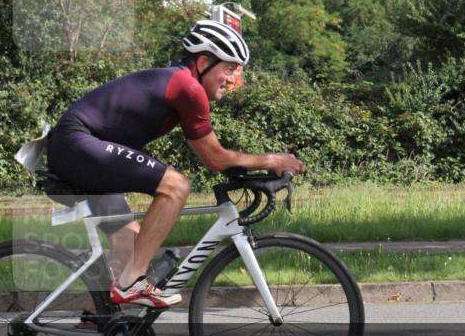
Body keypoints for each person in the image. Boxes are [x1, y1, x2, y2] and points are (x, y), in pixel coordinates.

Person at [46, 20, 305, 309]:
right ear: (204, 61)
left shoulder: (180, 84)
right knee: (176, 186)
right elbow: (214, 158)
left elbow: (213, 157)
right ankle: (132, 283)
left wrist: (250, 167)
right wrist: (272, 160)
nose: (232, 79)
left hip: (78, 149)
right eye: (228, 68)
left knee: (130, 243)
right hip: (77, 143)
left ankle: (98, 330)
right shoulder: (187, 87)